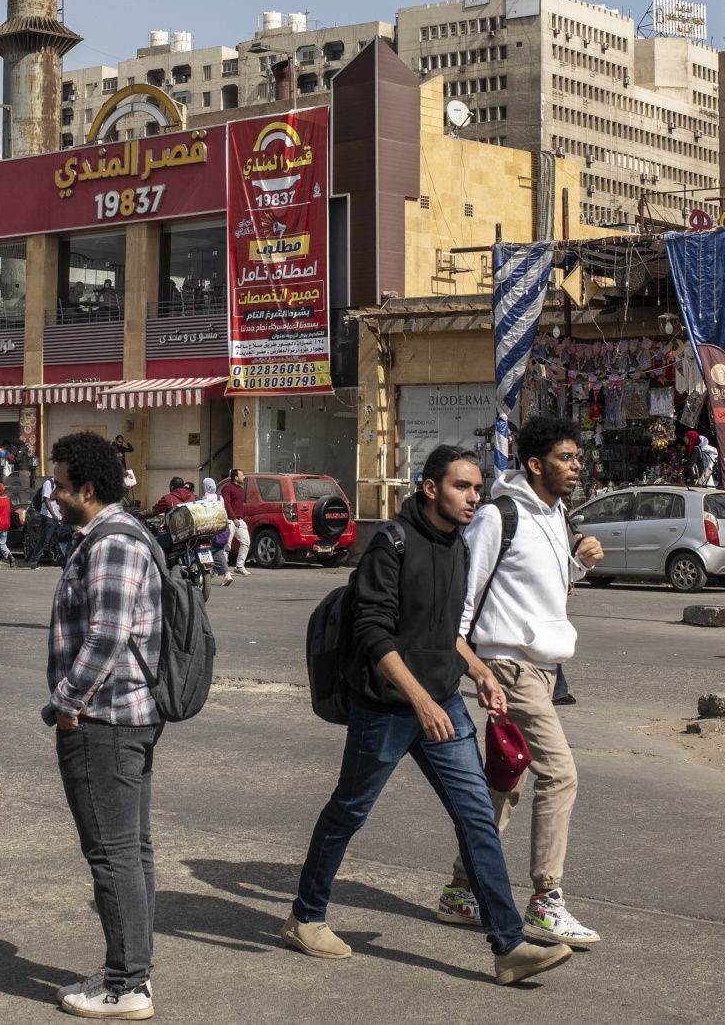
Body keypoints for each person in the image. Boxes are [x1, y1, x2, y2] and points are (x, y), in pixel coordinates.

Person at [284, 444, 571, 988]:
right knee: (348, 812)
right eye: (462, 487)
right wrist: (419, 700)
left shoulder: (458, 547)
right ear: (429, 487)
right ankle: (305, 916)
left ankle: (508, 946)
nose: (474, 497)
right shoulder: (389, 544)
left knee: (477, 819)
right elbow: (373, 634)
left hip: (444, 706)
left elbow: (446, 634)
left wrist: (478, 671)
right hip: (388, 710)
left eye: (478, 488)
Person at [435, 416, 604, 945]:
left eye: (578, 458)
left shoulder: (556, 516)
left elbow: (537, 588)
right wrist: (473, 664)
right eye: (565, 458)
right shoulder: (498, 515)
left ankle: (462, 888)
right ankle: (546, 900)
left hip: (544, 668)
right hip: (509, 665)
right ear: (535, 464)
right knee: (561, 774)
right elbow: (465, 597)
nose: (576, 467)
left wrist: (576, 565)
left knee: (508, 778)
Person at [43, 431, 169, 1018]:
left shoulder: (112, 542)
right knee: (130, 850)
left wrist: (65, 704)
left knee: (114, 854)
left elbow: (107, 636)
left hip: (106, 719)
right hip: (126, 716)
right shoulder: (118, 534)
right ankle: (131, 969)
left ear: (87, 489)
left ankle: (125, 984)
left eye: (60, 486)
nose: (53, 496)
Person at [199, 477, 233, 586]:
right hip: (220, 528)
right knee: (219, 551)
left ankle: (204, 574)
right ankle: (227, 574)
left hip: (208, 528)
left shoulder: (203, 498)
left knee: (203, 549)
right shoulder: (220, 497)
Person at [220, 468, 252, 574]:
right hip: (230, 520)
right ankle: (224, 569)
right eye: (242, 476)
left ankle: (239, 566)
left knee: (246, 542)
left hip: (239, 520)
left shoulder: (241, 489)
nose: (244, 477)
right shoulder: (227, 488)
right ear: (236, 477)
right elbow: (227, 504)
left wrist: (239, 518)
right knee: (227, 546)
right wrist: (233, 518)